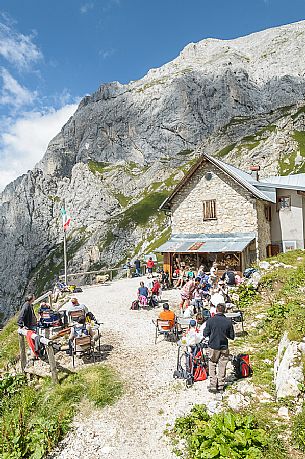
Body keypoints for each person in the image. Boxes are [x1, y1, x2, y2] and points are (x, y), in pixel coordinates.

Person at [203, 303, 235, 394]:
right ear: (224, 310)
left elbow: (205, 334)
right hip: (224, 346)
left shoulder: (210, 320)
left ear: (216, 310)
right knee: (222, 365)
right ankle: (221, 385)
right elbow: (232, 336)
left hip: (213, 346)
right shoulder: (228, 322)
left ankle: (213, 384)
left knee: (212, 363)